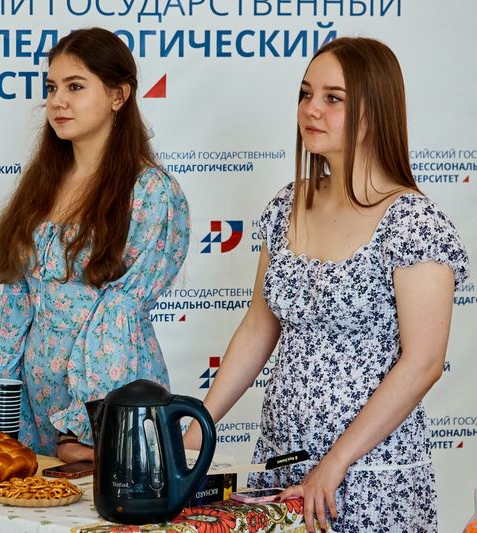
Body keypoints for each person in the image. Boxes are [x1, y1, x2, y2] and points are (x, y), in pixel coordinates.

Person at [183, 37, 468, 532]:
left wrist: (334, 464)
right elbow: (258, 327)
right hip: (280, 466)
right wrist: (197, 431)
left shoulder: (414, 222)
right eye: (306, 93)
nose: (311, 109)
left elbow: (423, 362)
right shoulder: (287, 205)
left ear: (375, 111)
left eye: (333, 98)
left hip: (370, 477)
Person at [0, 27, 189, 463]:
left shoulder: (150, 192)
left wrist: (86, 421)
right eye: (52, 88)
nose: (58, 101)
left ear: (118, 96)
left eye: (75, 87)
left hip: (104, 402)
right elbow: (19, 299)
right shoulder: (43, 184)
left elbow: (118, 314)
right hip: (34, 403)